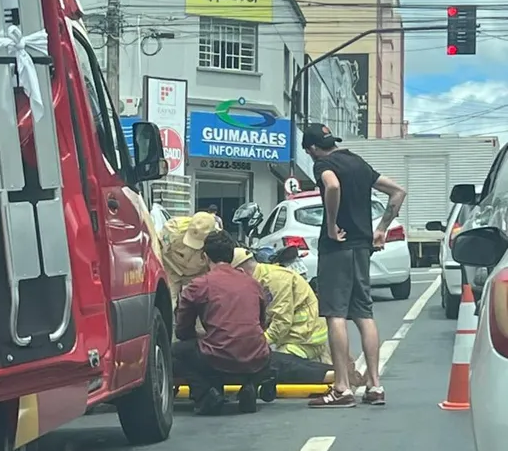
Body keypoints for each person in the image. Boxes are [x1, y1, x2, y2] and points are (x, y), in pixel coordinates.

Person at [301, 123, 407, 408]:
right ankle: (375, 385)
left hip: (337, 248)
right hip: (362, 246)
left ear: (312, 149)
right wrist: (381, 228)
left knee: (335, 313)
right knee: (363, 313)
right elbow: (398, 191)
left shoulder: (323, 164)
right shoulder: (358, 163)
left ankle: (342, 388)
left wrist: (332, 225)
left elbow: (332, 185)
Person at [231, 248, 365, 387]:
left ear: (240, 272)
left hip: (303, 336)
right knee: (280, 362)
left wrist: (258, 344)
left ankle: (339, 374)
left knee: (280, 367)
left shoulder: (275, 280)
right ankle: (338, 371)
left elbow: (282, 321)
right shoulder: (260, 280)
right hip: (297, 335)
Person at [173, 231, 270, 415]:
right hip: (257, 356)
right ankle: (250, 385)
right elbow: (261, 323)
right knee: (253, 349)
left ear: (204, 257)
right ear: (232, 255)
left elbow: (183, 331)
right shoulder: (252, 283)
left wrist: (204, 336)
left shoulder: (198, 285)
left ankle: (207, 394)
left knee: (176, 353)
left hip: (219, 357)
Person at [157, 211, 219, 336]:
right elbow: (157, 246)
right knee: (168, 303)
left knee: (199, 304)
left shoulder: (216, 240)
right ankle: (165, 336)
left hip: (196, 273)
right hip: (171, 268)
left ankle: (202, 335)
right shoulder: (172, 229)